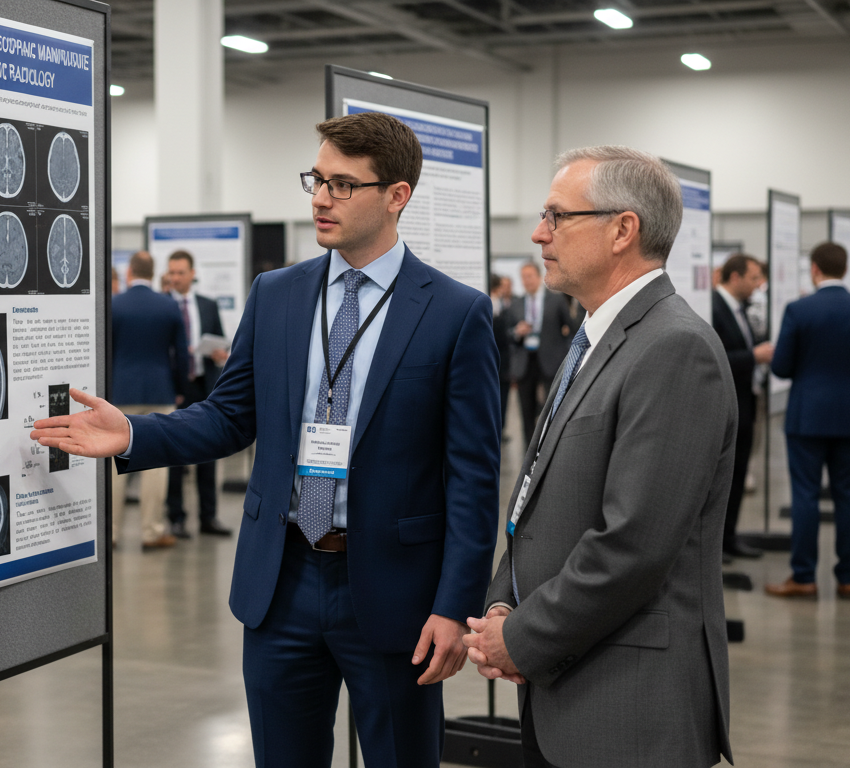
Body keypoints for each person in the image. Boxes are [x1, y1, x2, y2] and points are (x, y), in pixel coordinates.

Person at [32, 111, 500, 768]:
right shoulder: (277, 294)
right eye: (315, 179)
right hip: (281, 583)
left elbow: (474, 478)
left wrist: (456, 606)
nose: (320, 198)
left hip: (393, 594)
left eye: (342, 184)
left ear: (397, 196)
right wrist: (134, 434)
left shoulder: (454, 313)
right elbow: (228, 416)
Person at [466, 146, 735, 768]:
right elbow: (538, 493)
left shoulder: (675, 349)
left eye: (558, 216)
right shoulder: (598, 334)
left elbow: (633, 544)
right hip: (564, 685)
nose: (539, 234)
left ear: (623, 229)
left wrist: (521, 639)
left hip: (627, 707)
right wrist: (504, 601)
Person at [766, 243, 850, 599]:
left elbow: (782, 366)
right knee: (849, 496)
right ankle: (847, 577)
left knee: (805, 496)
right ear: (845, 268)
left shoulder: (800, 310)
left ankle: (804, 576)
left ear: (815, 269)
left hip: (807, 415)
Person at [110, 251, 187, 551]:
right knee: (155, 467)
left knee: (118, 464)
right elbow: (181, 355)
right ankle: (152, 532)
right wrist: (179, 389)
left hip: (121, 393)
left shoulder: (115, 305)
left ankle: (111, 533)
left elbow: (105, 351)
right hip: (159, 392)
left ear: (129, 272)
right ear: (154, 273)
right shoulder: (168, 305)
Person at [162, 250, 233, 539]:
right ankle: (176, 517)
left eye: (181, 272)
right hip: (176, 387)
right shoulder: (163, 306)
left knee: (208, 451)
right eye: (172, 273)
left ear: (192, 274)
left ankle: (208, 516)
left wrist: (219, 355)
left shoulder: (207, 305)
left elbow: (221, 343)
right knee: (174, 454)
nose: (176, 278)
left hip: (205, 386)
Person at [711, 254, 775, 560]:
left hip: (745, 403)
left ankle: (729, 538)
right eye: (753, 277)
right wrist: (754, 357)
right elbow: (713, 359)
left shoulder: (741, 309)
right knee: (720, 478)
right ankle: (714, 544)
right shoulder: (713, 308)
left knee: (738, 473)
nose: (758, 283)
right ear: (734, 277)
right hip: (723, 405)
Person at [506, 261, 572, 445]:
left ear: (538, 276)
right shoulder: (517, 303)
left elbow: (569, 328)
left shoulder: (556, 300)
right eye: (523, 277)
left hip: (551, 360)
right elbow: (508, 334)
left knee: (552, 406)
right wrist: (517, 332)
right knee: (526, 409)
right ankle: (529, 450)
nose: (526, 281)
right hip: (525, 361)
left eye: (529, 276)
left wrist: (566, 354)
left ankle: (550, 446)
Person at [489, 274, 514, 432]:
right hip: (498, 359)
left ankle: (500, 429)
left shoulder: (503, 305)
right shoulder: (492, 305)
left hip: (502, 361)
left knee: (502, 397)